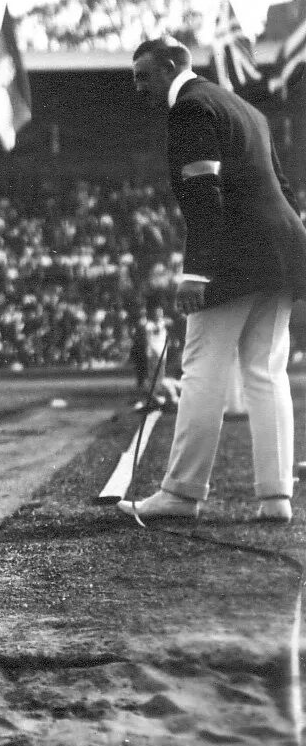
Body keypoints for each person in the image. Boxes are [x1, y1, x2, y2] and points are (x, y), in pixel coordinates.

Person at [119, 37, 306, 524]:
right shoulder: (246, 110)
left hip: (236, 254)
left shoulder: (189, 108)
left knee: (202, 367)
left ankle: (181, 493)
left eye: (144, 75)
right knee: (266, 372)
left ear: (171, 66)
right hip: (282, 252)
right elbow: (282, 189)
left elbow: (205, 194)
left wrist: (196, 271)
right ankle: (276, 498)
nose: (138, 87)